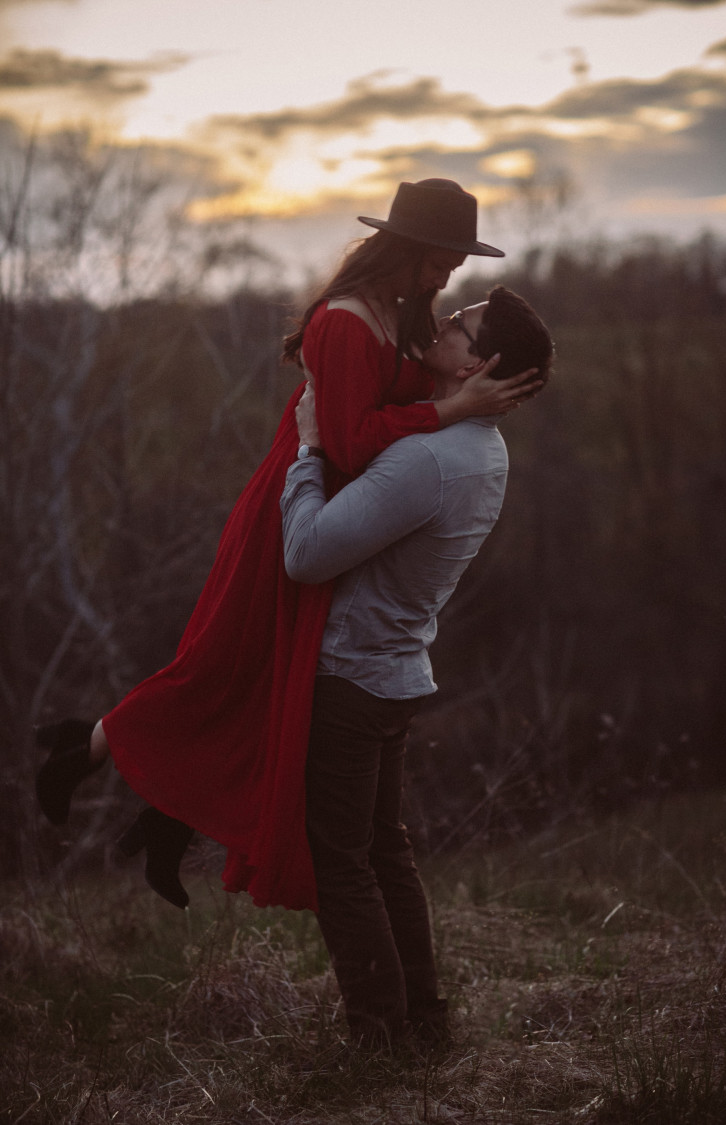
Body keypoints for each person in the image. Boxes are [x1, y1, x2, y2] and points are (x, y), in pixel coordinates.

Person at [35, 180, 539, 912]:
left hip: (334, 511)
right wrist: (450, 408)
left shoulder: (401, 312)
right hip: (291, 512)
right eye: (443, 259)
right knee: (218, 666)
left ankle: (169, 821)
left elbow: (371, 429)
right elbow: (348, 441)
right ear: (410, 248)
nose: (449, 274)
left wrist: (449, 404)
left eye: (457, 262)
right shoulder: (344, 323)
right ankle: (79, 756)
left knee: (267, 684)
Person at [280, 285, 554, 1048]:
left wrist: (307, 451)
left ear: (481, 361)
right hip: (394, 673)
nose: (442, 323)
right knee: (385, 854)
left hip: (352, 678)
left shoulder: (430, 459)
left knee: (344, 864)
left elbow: (305, 555)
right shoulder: (482, 447)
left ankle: (379, 1035)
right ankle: (422, 1024)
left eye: (460, 325)